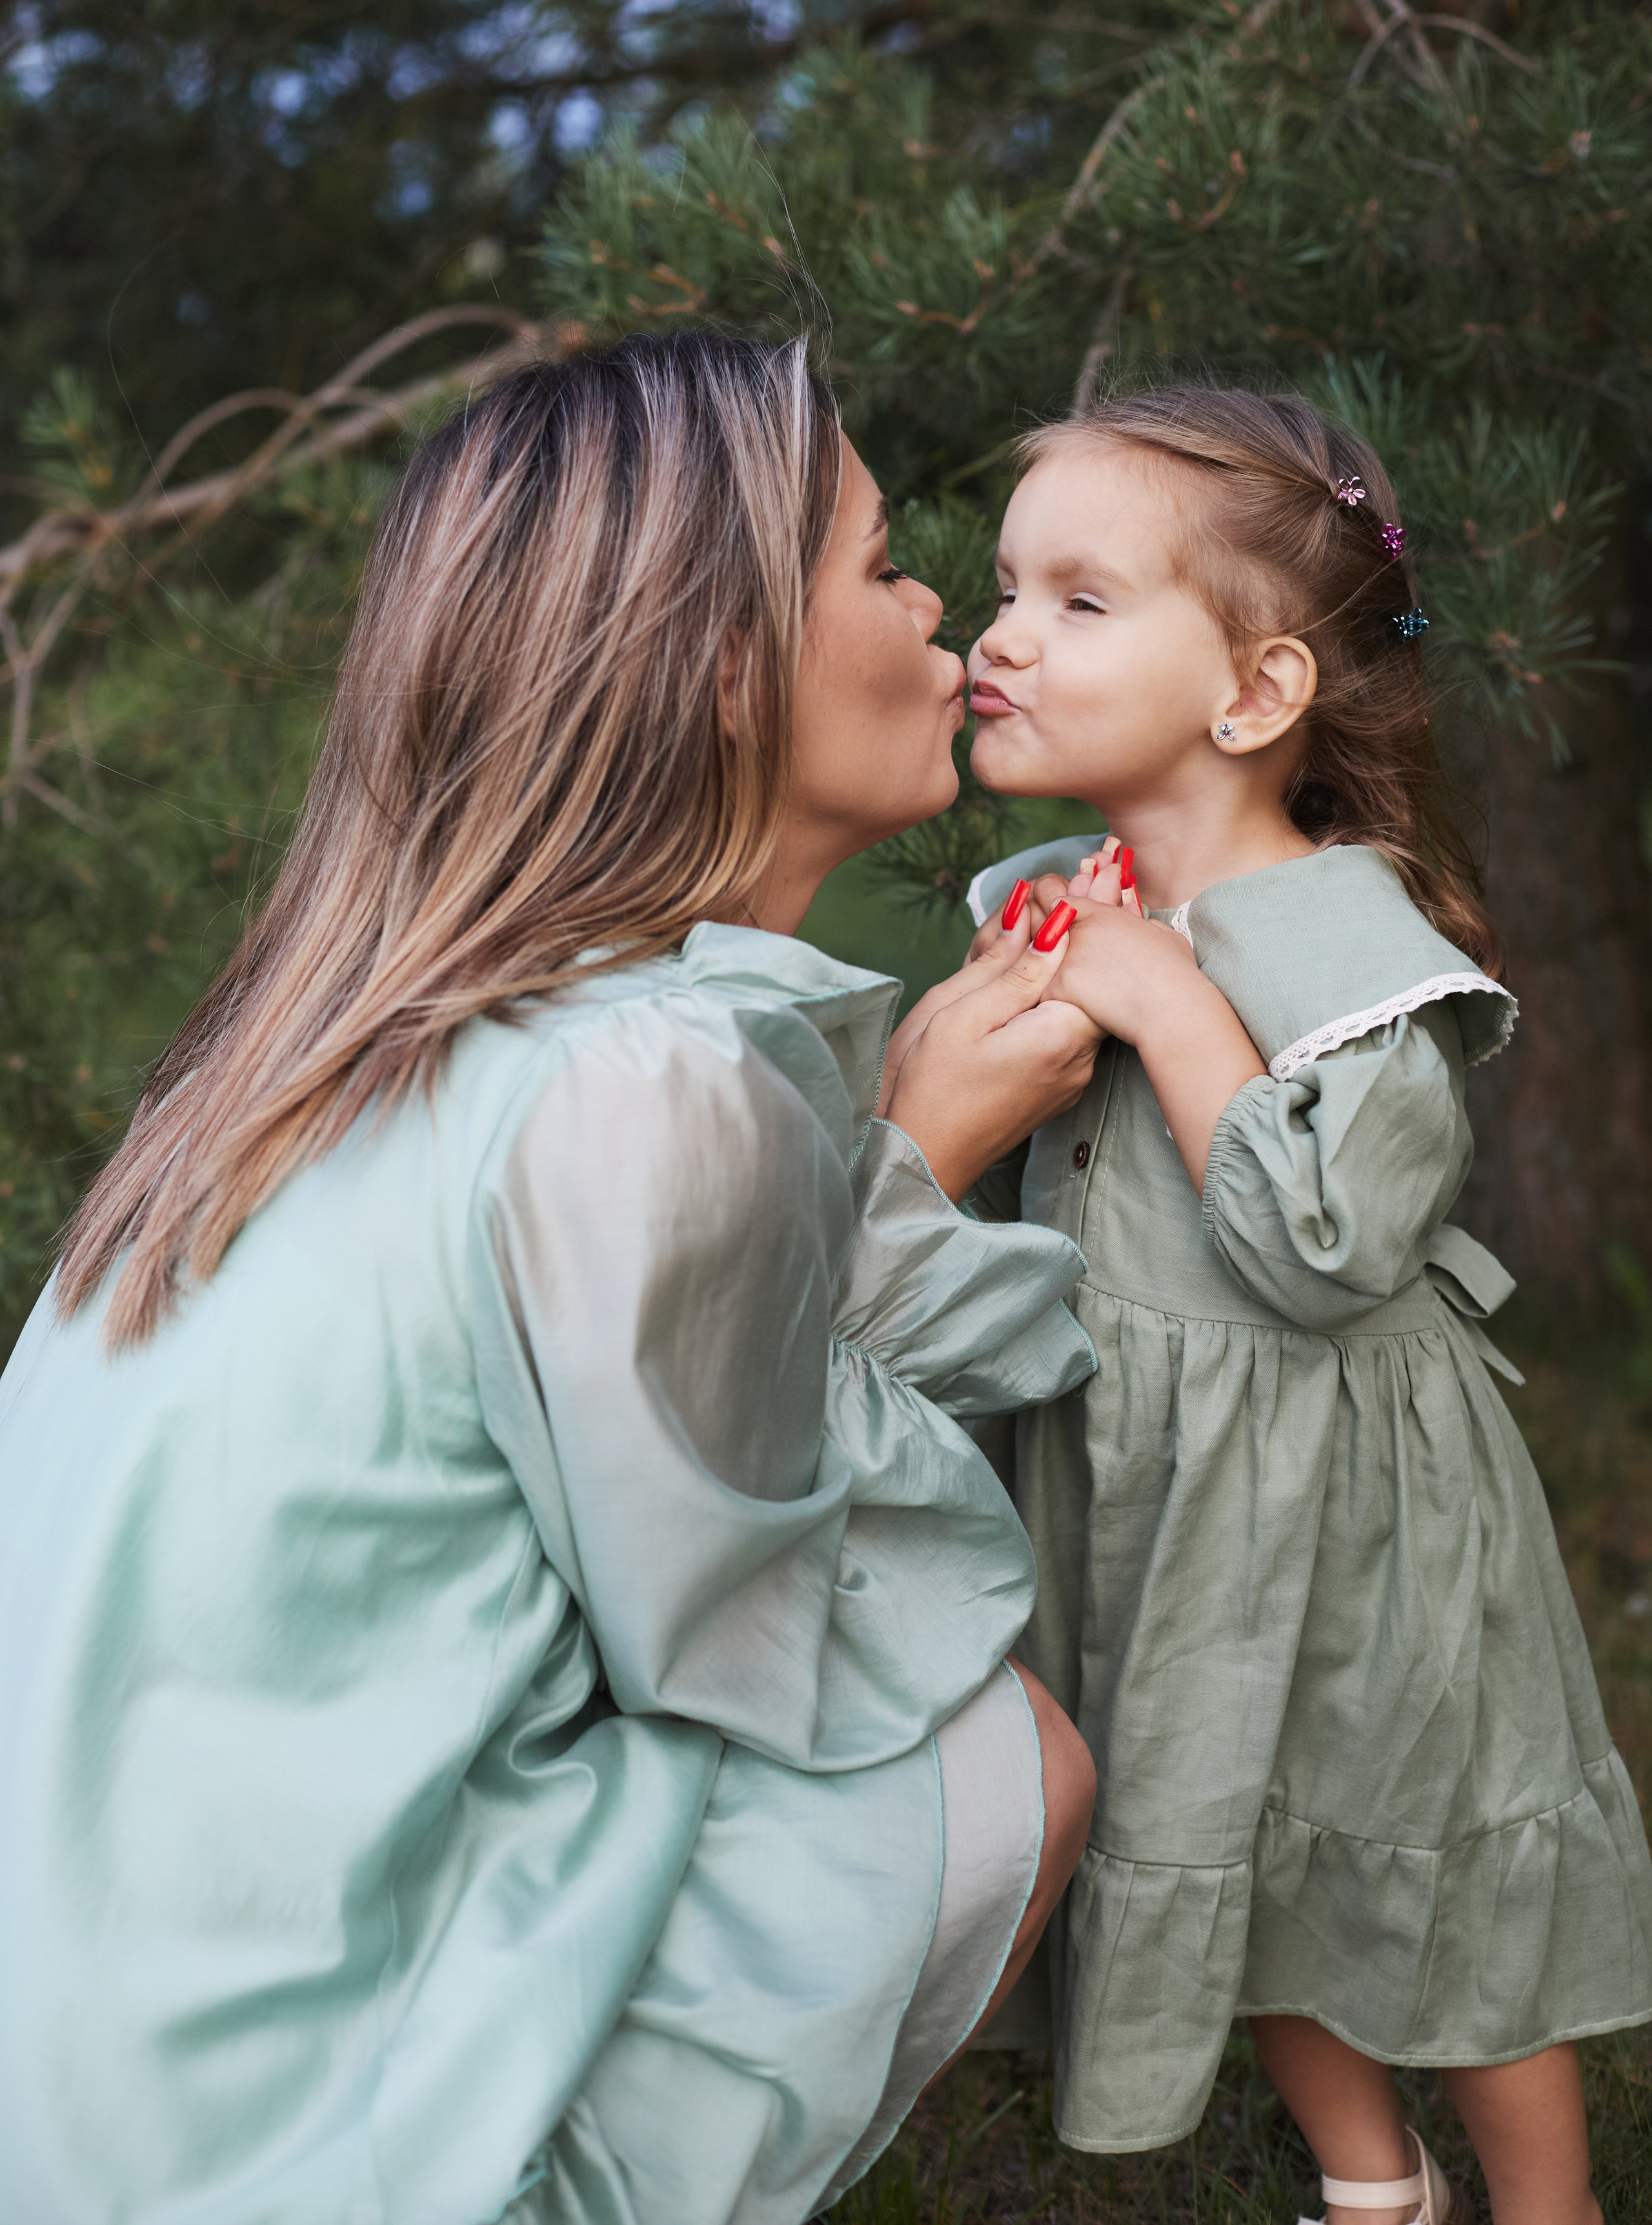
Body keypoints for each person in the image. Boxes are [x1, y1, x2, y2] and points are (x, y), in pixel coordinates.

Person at [0, 330, 1103, 2225]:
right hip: (286, 2159)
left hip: (85, 2095)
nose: (939, 598)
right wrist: (905, 1168)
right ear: (735, 670)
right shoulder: (647, 1085)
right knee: (1012, 1763)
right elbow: (767, 1644)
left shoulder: (304, 1064)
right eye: (873, 559)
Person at [942, 383, 1652, 2225]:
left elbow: (1325, 1253)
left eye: (1081, 601)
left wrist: (1169, 1008)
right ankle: (1369, 2181)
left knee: (1428, 1854)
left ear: (1255, 696)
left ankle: (1548, 2207)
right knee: (1223, 1839)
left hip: (1348, 1512)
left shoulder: (1355, 957)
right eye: (1004, 585)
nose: (1000, 633)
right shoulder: (1061, 904)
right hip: (1157, 1486)